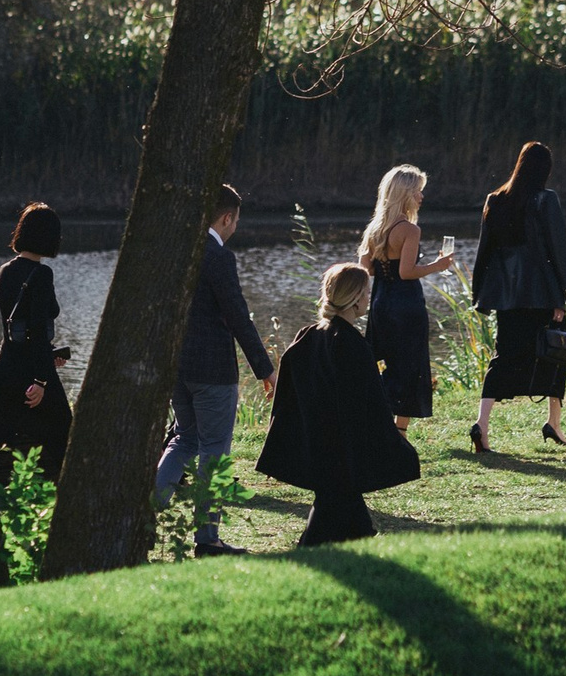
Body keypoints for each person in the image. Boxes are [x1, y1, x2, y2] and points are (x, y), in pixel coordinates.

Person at [256, 263, 422, 546]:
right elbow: (366, 404)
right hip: (341, 446)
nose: (369, 298)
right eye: (366, 293)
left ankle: (352, 539)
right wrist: (392, 439)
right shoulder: (350, 344)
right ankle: (319, 546)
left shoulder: (310, 335)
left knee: (340, 505)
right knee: (337, 500)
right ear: (355, 298)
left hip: (317, 438)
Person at [155, 185, 276, 558]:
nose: (235, 227)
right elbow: (238, 316)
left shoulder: (175, 253)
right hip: (213, 373)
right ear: (226, 218)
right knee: (215, 452)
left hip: (178, 367)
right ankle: (207, 538)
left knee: (184, 440)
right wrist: (265, 369)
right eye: (235, 220)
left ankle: (141, 516)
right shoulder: (218, 257)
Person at [470, 141, 566, 450]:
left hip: (507, 296)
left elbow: (485, 253)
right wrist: (564, 295)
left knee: (503, 356)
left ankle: (481, 425)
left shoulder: (495, 200)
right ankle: (554, 424)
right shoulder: (546, 200)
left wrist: (480, 293)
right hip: (542, 293)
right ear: (544, 170)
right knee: (554, 353)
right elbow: (558, 249)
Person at [358, 164, 455, 436]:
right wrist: (438, 265)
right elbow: (407, 272)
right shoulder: (410, 230)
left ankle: (377, 420)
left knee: (386, 362)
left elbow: (366, 270)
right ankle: (398, 432)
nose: (421, 197)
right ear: (405, 193)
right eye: (418, 191)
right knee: (409, 367)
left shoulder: (374, 229)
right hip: (406, 304)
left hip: (380, 302)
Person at [0, 202, 73, 482]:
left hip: (3, 370)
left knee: (0, 452)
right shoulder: (42, 274)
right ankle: (58, 500)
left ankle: (1, 507)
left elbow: (18, 331)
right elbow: (35, 329)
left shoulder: (5, 270)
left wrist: (48, 357)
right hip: (28, 374)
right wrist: (41, 380)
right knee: (63, 432)